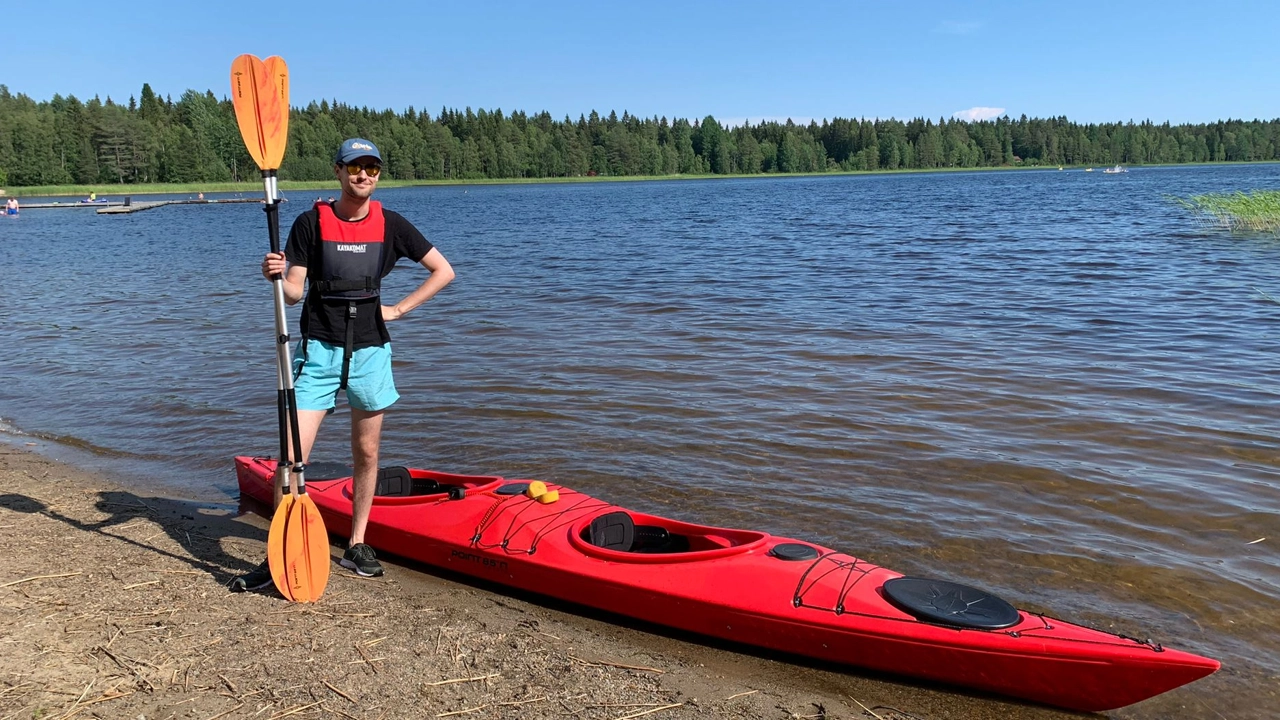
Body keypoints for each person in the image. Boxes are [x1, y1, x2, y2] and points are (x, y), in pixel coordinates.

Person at [231, 138, 454, 592]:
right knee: (292, 460)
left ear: (378, 175)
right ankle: (282, 551)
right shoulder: (310, 223)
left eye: (371, 168)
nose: (363, 175)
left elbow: (443, 270)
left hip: (371, 351)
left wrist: (400, 309)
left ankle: (356, 543)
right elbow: (294, 292)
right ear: (338, 171)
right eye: (355, 167)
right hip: (319, 349)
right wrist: (274, 275)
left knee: (367, 453)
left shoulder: (391, 224)